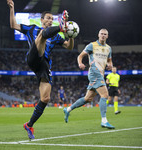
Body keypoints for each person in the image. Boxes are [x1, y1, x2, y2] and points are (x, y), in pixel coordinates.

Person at [7, 0, 74, 139]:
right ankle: (62, 26)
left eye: (52, 19)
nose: (50, 20)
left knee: (45, 98)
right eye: (48, 18)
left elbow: (69, 46)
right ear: (41, 19)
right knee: (42, 35)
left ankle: (29, 124)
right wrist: (12, 8)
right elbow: (13, 25)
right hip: (33, 58)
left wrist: (70, 36)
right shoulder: (31, 28)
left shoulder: (55, 37)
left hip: (44, 66)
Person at [63, 29, 115, 129]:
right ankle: (104, 121)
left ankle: (68, 109)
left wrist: (109, 65)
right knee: (104, 95)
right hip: (94, 72)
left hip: (101, 73)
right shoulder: (92, 45)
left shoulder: (109, 48)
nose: (103, 36)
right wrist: (80, 63)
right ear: (98, 35)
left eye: (105, 34)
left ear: (107, 36)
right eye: (101, 34)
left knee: (88, 99)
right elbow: (80, 56)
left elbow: (110, 61)